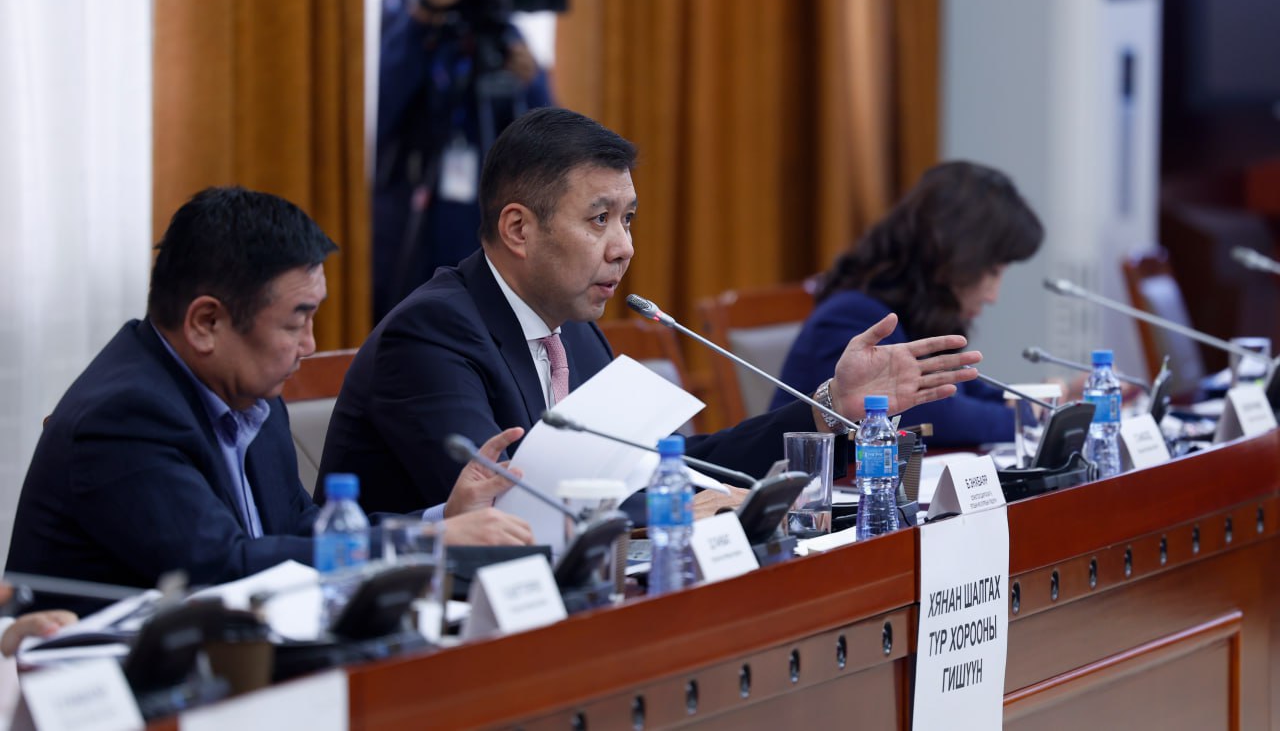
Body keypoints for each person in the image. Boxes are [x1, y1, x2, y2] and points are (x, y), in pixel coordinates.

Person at [319, 107, 982, 514]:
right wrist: (685, 507)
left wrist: (828, 407)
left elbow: (663, 466)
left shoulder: (575, 334)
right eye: (599, 219)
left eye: (628, 218)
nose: (624, 247)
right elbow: (517, 503)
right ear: (518, 228)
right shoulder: (433, 334)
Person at [6, 187, 531, 612]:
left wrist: (441, 521)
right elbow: (224, 570)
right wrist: (427, 547)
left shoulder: (249, 396)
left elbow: (299, 529)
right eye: (295, 322)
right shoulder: (124, 417)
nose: (311, 345)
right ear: (206, 323)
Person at [376, 0, 554, 320]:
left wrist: (528, 77)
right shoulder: (382, 23)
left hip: (480, 222)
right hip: (404, 226)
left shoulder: (490, 25)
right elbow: (377, 112)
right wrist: (421, 18)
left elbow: (546, 129)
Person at [771, 161, 1045, 446]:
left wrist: (1037, 402)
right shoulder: (854, 314)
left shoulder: (915, 312)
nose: (992, 296)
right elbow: (929, 415)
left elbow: (962, 390)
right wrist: (1027, 419)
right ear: (953, 255)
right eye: (993, 271)